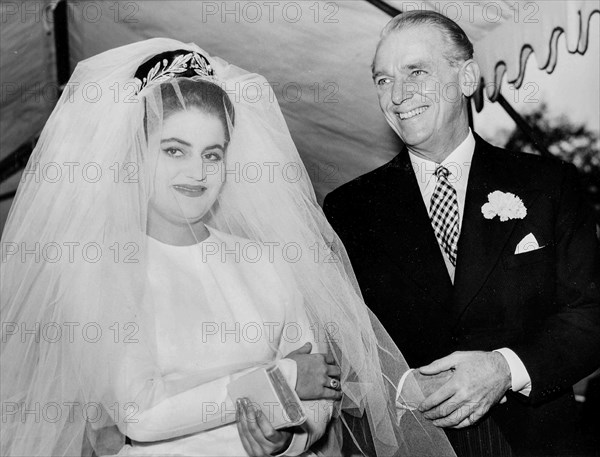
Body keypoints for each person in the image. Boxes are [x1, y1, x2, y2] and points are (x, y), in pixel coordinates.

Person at [0, 38, 455, 457]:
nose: (197, 172)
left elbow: (324, 387)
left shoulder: (266, 261)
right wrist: (280, 378)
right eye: (174, 150)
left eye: (212, 153)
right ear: (134, 153)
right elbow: (141, 413)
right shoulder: (102, 268)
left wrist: (288, 433)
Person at [324, 10, 600, 457]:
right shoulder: (350, 209)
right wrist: (400, 386)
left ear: (467, 77)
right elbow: (340, 345)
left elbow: (591, 313)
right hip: (415, 443)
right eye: (382, 80)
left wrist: (505, 369)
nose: (398, 95)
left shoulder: (549, 184)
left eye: (416, 71)